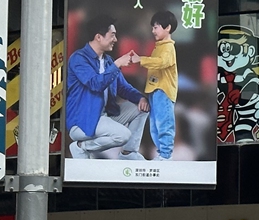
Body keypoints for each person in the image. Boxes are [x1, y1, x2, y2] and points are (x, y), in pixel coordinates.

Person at [65, 15, 149, 160]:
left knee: (142, 108)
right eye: (112, 35)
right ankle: (81, 147)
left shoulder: (108, 61)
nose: (115, 40)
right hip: (83, 121)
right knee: (123, 135)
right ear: (98, 37)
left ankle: (128, 154)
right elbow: (95, 84)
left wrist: (141, 98)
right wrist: (117, 65)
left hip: (105, 117)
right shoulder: (78, 59)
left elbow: (124, 88)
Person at [131, 10, 178, 161]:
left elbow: (162, 63)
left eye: (156, 27)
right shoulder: (159, 46)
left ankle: (166, 155)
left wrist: (141, 59)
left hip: (163, 90)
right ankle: (162, 154)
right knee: (155, 126)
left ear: (168, 28)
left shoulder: (169, 47)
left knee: (164, 123)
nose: (153, 31)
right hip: (154, 90)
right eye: (153, 27)